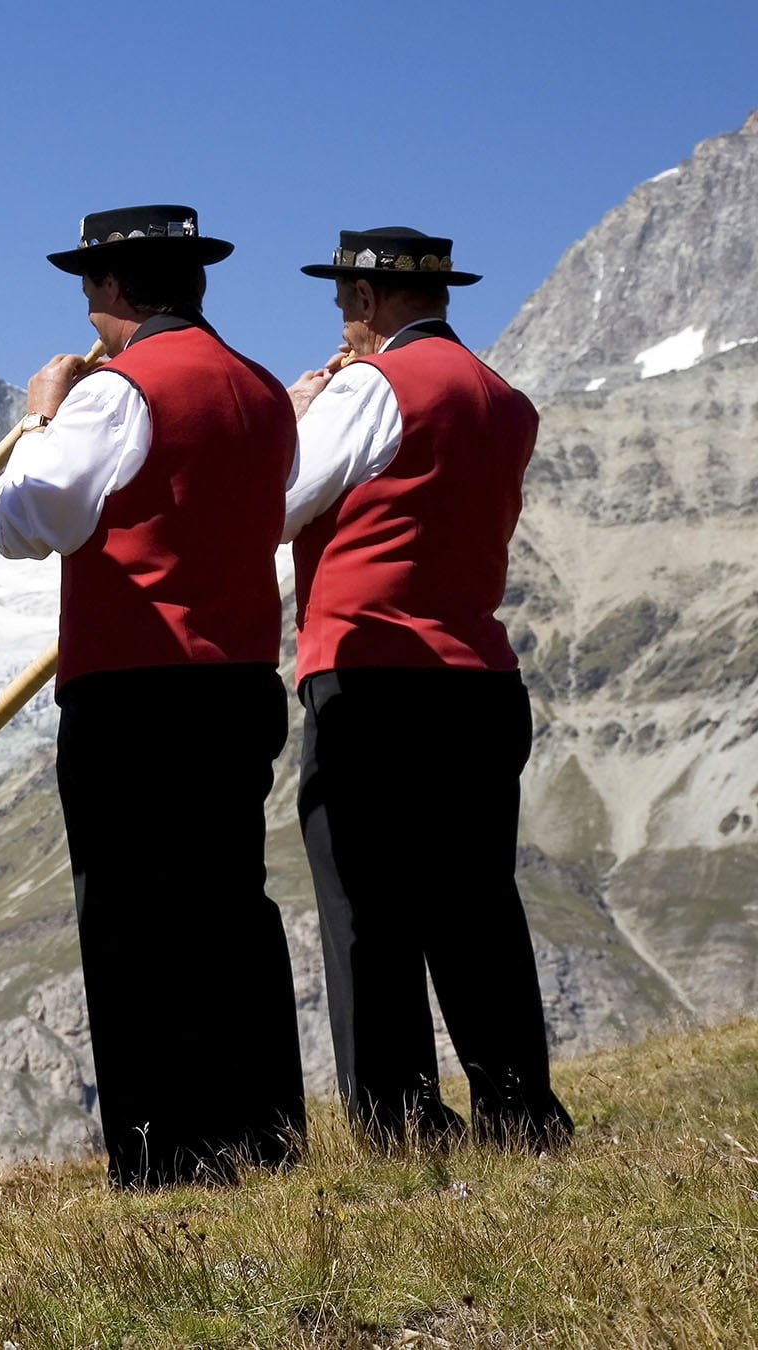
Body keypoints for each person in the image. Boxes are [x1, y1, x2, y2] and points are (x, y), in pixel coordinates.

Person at [0, 205, 306, 1187]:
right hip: (240, 676)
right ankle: (264, 1131)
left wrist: (42, 414)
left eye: (91, 286)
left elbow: (25, 523)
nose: (87, 306)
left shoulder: (116, 394)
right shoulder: (262, 391)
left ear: (117, 291)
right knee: (229, 908)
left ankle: (166, 1152)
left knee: (132, 923)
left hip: (135, 686)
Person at [284, 227, 572, 1151]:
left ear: (367, 303)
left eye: (343, 302)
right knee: (477, 902)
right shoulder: (506, 401)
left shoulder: (373, 386)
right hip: (480, 675)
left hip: (369, 670)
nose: (340, 320)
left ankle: (400, 1118)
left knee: (365, 903)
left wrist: (301, 409)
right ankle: (520, 1108)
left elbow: (277, 499)